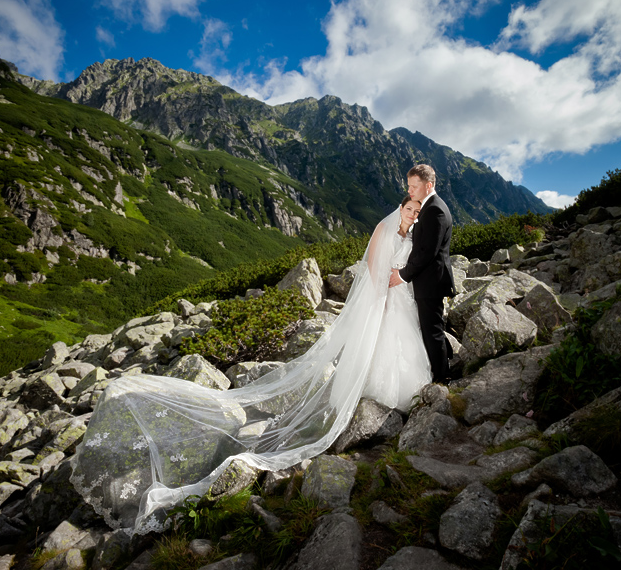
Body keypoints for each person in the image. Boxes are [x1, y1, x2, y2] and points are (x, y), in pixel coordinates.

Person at [70, 196, 431, 536]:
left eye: (417, 211)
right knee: (372, 345)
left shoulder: (409, 232)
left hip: (396, 298)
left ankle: (387, 398)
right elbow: (372, 265)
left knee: (394, 347)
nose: (413, 214)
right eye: (410, 209)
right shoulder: (385, 229)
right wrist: (384, 289)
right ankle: (366, 398)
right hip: (380, 296)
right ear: (400, 208)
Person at [389, 164, 456, 383]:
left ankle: (442, 377)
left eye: (413, 186)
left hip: (431, 282)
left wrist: (402, 275)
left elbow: (427, 252)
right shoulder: (431, 206)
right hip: (430, 280)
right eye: (408, 186)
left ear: (428, 185)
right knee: (433, 326)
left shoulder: (434, 209)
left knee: (432, 331)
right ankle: (446, 364)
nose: (409, 191)